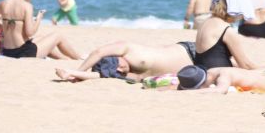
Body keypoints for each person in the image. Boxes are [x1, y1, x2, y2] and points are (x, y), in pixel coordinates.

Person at [55, 40, 197, 82]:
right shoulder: (124, 74)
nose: (121, 70)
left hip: (190, 50)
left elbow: (99, 52)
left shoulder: (127, 49)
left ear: (116, 56)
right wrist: (72, 74)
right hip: (196, 67)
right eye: (116, 71)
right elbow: (100, 75)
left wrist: (79, 70)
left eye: (118, 65)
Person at [194, 0, 258, 70]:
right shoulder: (226, 30)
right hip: (218, 75)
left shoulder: (206, 22)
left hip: (201, 72)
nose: (239, 18)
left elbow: (213, 56)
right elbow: (245, 65)